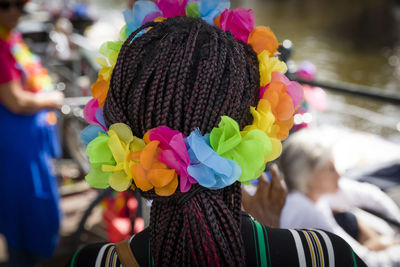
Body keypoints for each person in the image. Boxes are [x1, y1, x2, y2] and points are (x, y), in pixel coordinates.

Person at [70, 1, 365, 266]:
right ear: (254, 123)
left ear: (120, 122)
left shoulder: (95, 261)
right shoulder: (321, 254)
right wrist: (271, 227)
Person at [0, 0, 64, 266]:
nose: (14, 11)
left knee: (37, 209)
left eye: (19, 5)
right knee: (25, 212)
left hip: (28, 146)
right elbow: (15, 100)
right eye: (5, 5)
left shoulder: (11, 39)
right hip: (14, 149)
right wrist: (52, 99)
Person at [280, 128, 400, 266]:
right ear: (308, 175)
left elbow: (369, 194)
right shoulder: (308, 212)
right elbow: (365, 262)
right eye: (331, 169)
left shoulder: (309, 192)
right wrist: (392, 244)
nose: (340, 173)